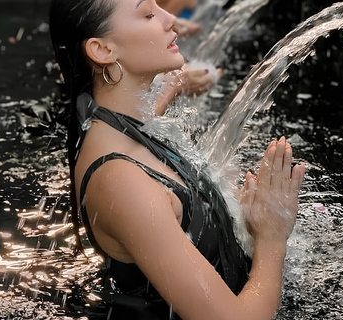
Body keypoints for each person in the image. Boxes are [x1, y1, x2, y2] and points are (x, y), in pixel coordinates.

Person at [49, 0, 305, 319]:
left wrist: (173, 84)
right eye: (148, 13)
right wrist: (271, 237)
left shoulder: (112, 121)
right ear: (102, 50)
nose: (170, 19)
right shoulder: (121, 182)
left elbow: (142, 114)